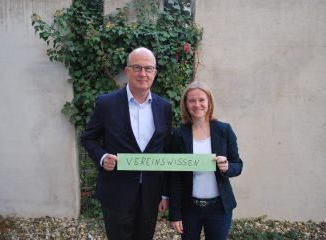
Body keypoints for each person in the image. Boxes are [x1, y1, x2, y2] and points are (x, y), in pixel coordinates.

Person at [81, 47, 172, 240]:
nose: (143, 73)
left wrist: (165, 193)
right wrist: (103, 157)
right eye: (137, 67)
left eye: (148, 68)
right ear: (127, 71)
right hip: (116, 192)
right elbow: (88, 138)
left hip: (150, 193)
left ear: (155, 73)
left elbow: (165, 149)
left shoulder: (164, 107)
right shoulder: (106, 104)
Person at [169, 81, 243, 240]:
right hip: (189, 208)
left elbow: (238, 165)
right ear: (186, 104)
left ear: (209, 102)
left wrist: (226, 167)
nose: (197, 104)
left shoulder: (224, 130)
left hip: (219, 208)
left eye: (201, 100)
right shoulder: (179, 134)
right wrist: (175, 214)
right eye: (192, 101)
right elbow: (174, 177)